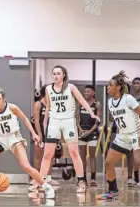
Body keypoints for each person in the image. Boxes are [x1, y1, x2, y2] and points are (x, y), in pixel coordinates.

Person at [0, 84, 55, 199]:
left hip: (14, 139)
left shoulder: (12, 108)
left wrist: (34, 133)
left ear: (3, 99)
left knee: (25, 166)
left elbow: (24, 118)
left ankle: (46, 187)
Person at [97, 71, 140, 202]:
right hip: (123, 135)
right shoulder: (110, 102)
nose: (108, 87)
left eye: (110, 85)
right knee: (108, 162)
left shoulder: (128, 99)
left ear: (118, 87)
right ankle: (112, 191)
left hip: (137, 132)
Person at [35, 65, 99, 193]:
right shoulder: (48, 89)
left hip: (68, 121)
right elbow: (48, 107)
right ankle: (41, 182)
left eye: (58, 73)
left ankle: (81, 180)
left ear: (63, 75)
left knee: (74, 152)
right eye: (54, 74)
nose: (56, 76)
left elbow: (81, 100)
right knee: (47, 154)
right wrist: (45, 124)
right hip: (54, 122)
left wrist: (91, 113)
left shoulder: (71, 87)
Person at [31, 85, 59, 185]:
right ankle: (36, 178)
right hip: (41, 133)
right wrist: (39, 134)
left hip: (52, 132)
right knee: (38, 155)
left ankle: (48, 177)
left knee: (51, 156)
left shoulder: (53, 104)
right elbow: (37, 121)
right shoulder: (38, 104)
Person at [77, 85, 101, 187]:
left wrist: (89, 132)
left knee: (92, 156)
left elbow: (98, 121)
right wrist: (81, 130)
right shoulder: (80, 103)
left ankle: (93, 178)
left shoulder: (97, 104)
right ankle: (83, 178)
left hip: (92, 133)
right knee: (82, 157)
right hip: (82, 133)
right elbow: (76, 119)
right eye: (85, 92)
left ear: (93, 93)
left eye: (88, 92)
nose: (86, 93)